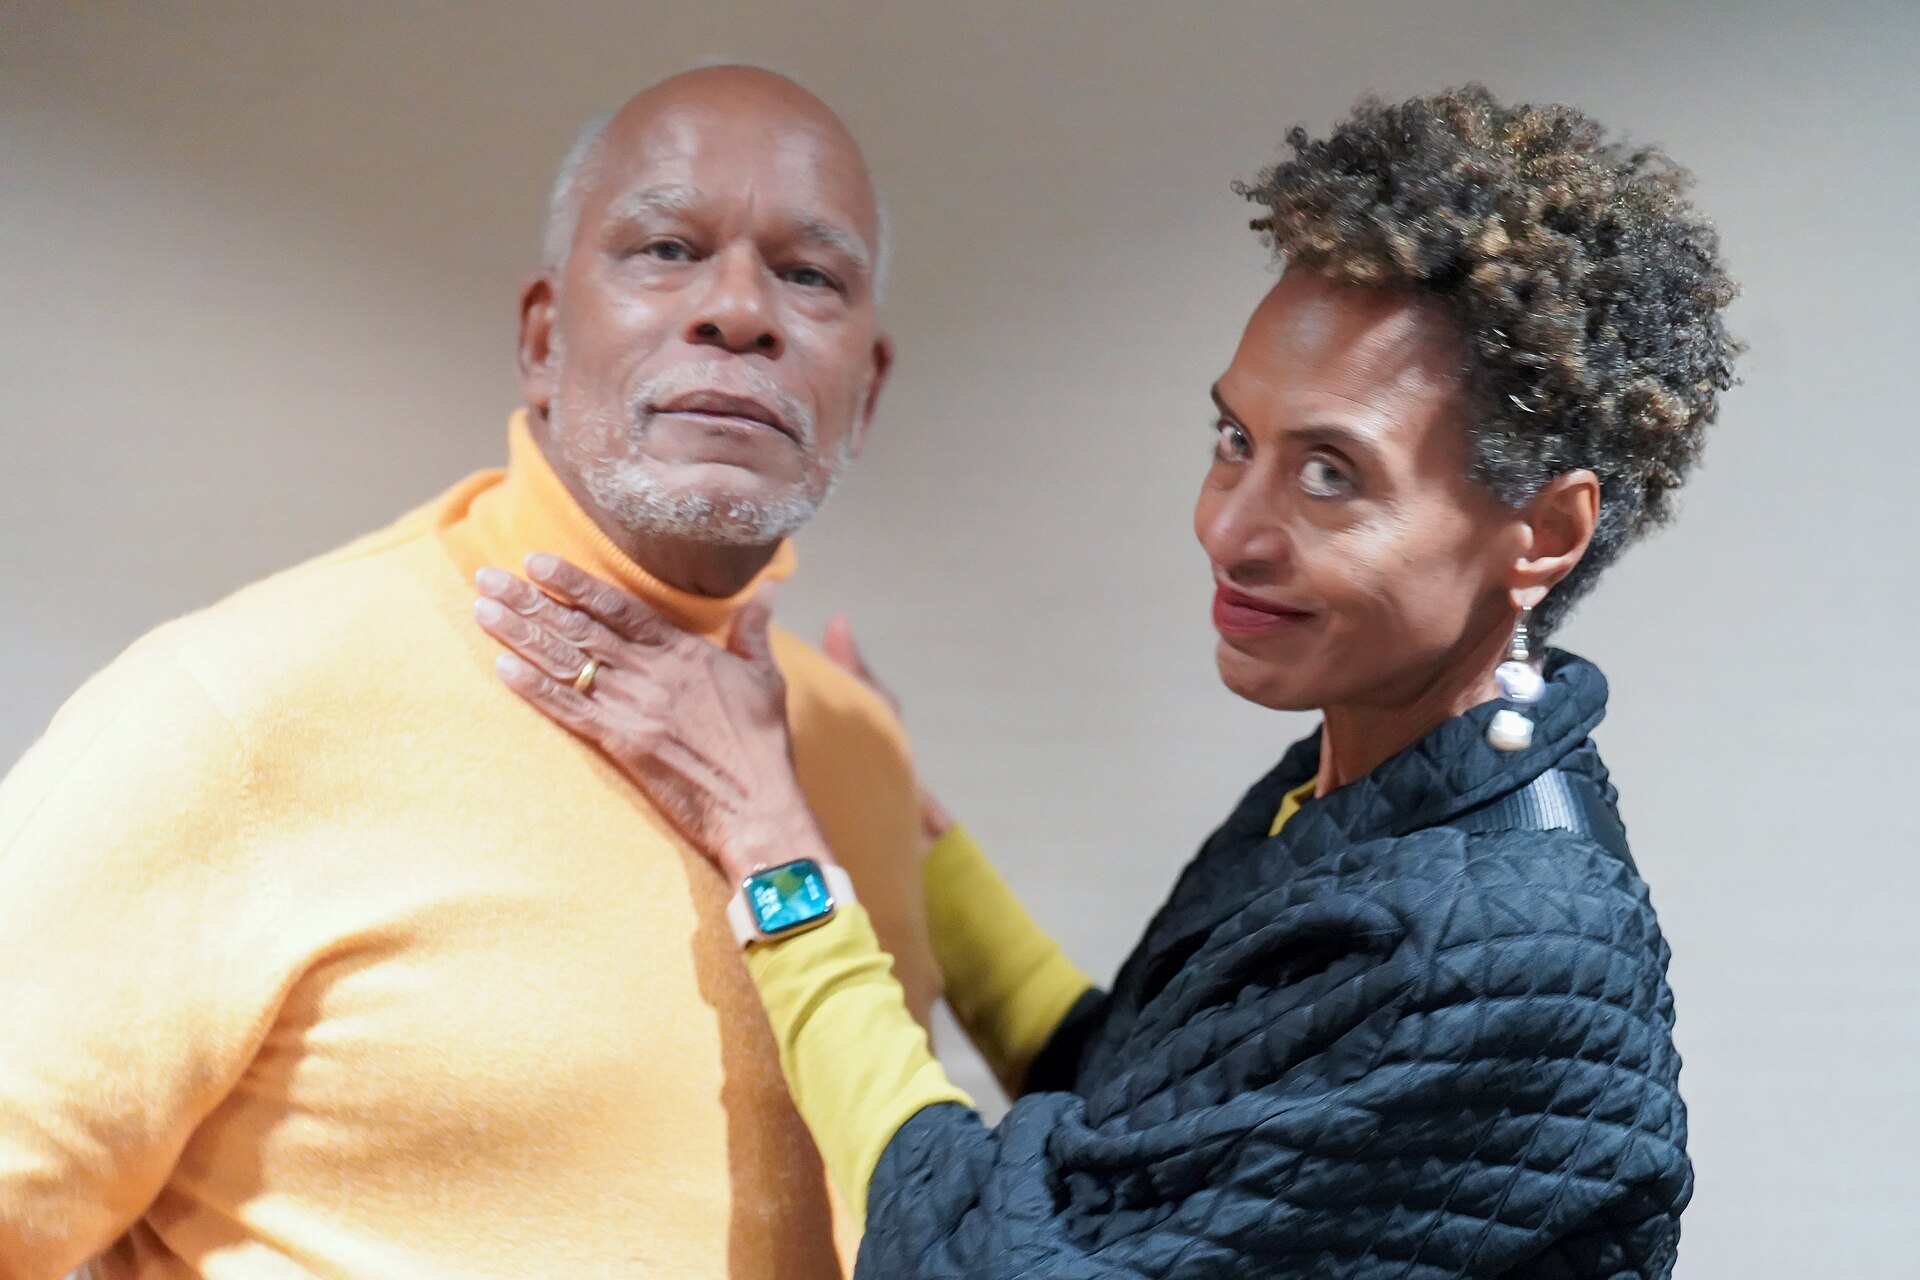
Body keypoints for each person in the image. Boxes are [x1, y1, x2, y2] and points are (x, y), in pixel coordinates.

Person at [477, 86, 1738, 1278]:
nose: (1231, 529)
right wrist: (924, 838)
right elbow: (1129, 1115)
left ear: (1544, 533)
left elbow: (994, 1251)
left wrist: (769, 840)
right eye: (1234, 440)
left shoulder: (1496, 945)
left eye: (1332, 475)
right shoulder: (1376, 776)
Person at [0, 67, 935, 1279]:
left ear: (864, 392)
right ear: (544, 339)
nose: (740, 310)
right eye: (666, 249)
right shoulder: (237, 707)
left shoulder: (856, 750)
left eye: (809, 275)